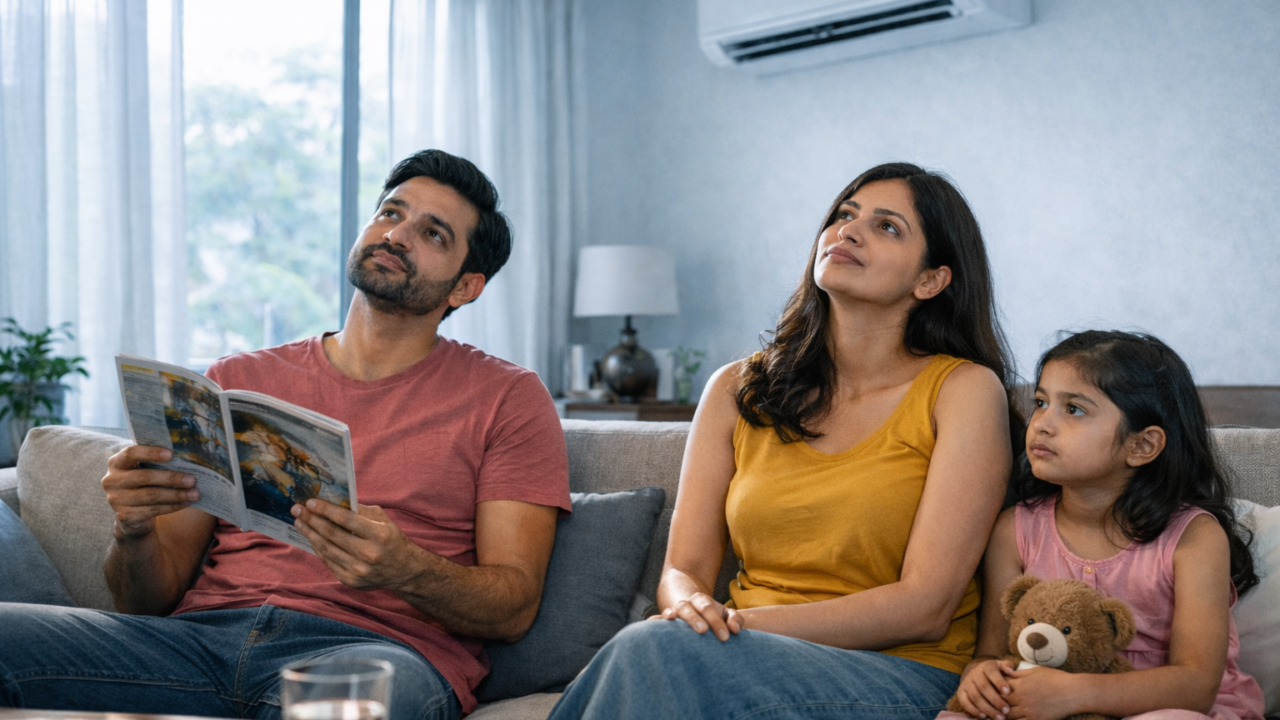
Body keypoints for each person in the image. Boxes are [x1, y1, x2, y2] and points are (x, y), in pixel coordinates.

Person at [0, 149, 571, 720]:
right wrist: (133, 528)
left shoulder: (508, 397)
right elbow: (145, 599)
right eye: (390, 213)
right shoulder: (235, 381)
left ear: (465, 287)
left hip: (371, 652)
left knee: (365, 703)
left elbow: (513, 607)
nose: (397, 235)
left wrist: (406, 568)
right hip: (196, 643)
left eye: (433, 233)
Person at [547, 162, 1022, 720]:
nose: (848, 230)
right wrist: (691, 609)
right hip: (733, 651)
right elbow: (682, 571)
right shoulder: (735, 387)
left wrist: (728, 625)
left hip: (902, 671)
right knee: (653, 650)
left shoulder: (963, 391)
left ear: (930, 281)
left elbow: (926, 607)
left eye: (887, 226)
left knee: (653, 651)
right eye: (845, 214)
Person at [942, 331, 1264, 720]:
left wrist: (1072, 694)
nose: (1042, 424)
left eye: (1074, 409)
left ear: (1141, 446)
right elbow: (993, 653)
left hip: (1169, 708)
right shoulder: (1014, 530)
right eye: (1041, 402)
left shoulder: (1193, 538)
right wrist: (982, 677)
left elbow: (1195, 686)